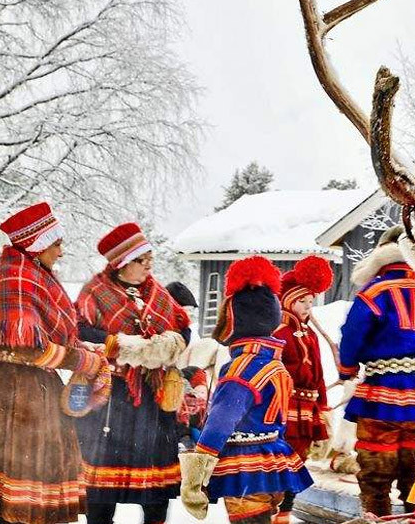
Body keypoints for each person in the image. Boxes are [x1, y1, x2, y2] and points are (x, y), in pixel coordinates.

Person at [0, 202, 108, 524]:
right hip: (16, 399)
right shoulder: (18, 280)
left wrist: (86, 354)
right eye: (57, 244)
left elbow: (48, 340)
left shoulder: (33, 275)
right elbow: (24, 348)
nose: (61, 253)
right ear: (37, 246)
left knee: (23, 501)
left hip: (29, 395)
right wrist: (82, 360)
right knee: (20, 500)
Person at [179, 256, 313, 524]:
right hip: (274, 457)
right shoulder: (275, 365)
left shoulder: (240, 369)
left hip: (246, 466)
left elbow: (220, 421)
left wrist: (196, 473)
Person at [74, 223, 191, 524]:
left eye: (150, 257)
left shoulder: (159, 293)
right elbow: (79, 331)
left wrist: (166, 345)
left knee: (156, 492)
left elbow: (183, 328)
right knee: (101, 491)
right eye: (142, 259)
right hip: (110, 399)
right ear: (122, 263)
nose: (149, 265)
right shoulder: (95, 293)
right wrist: (124, 346)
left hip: (152, 400)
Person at [338, 226, 415, 517]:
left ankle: (376, 518)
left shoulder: (373, 292)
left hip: (380, 395)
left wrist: (347, 370)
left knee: (376, 471)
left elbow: (352, 336)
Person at [272, 255, 335, 524]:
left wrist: (323, 407)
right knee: (281, 464)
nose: (307, 307)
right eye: (302, 301)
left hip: (307, 411)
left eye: (310, 302)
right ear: (288, 301)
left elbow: (319, 375)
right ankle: (273, 513)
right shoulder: (279, 332)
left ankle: (285, 514)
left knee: (298, 464)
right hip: (286, 408)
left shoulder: (310, 335)